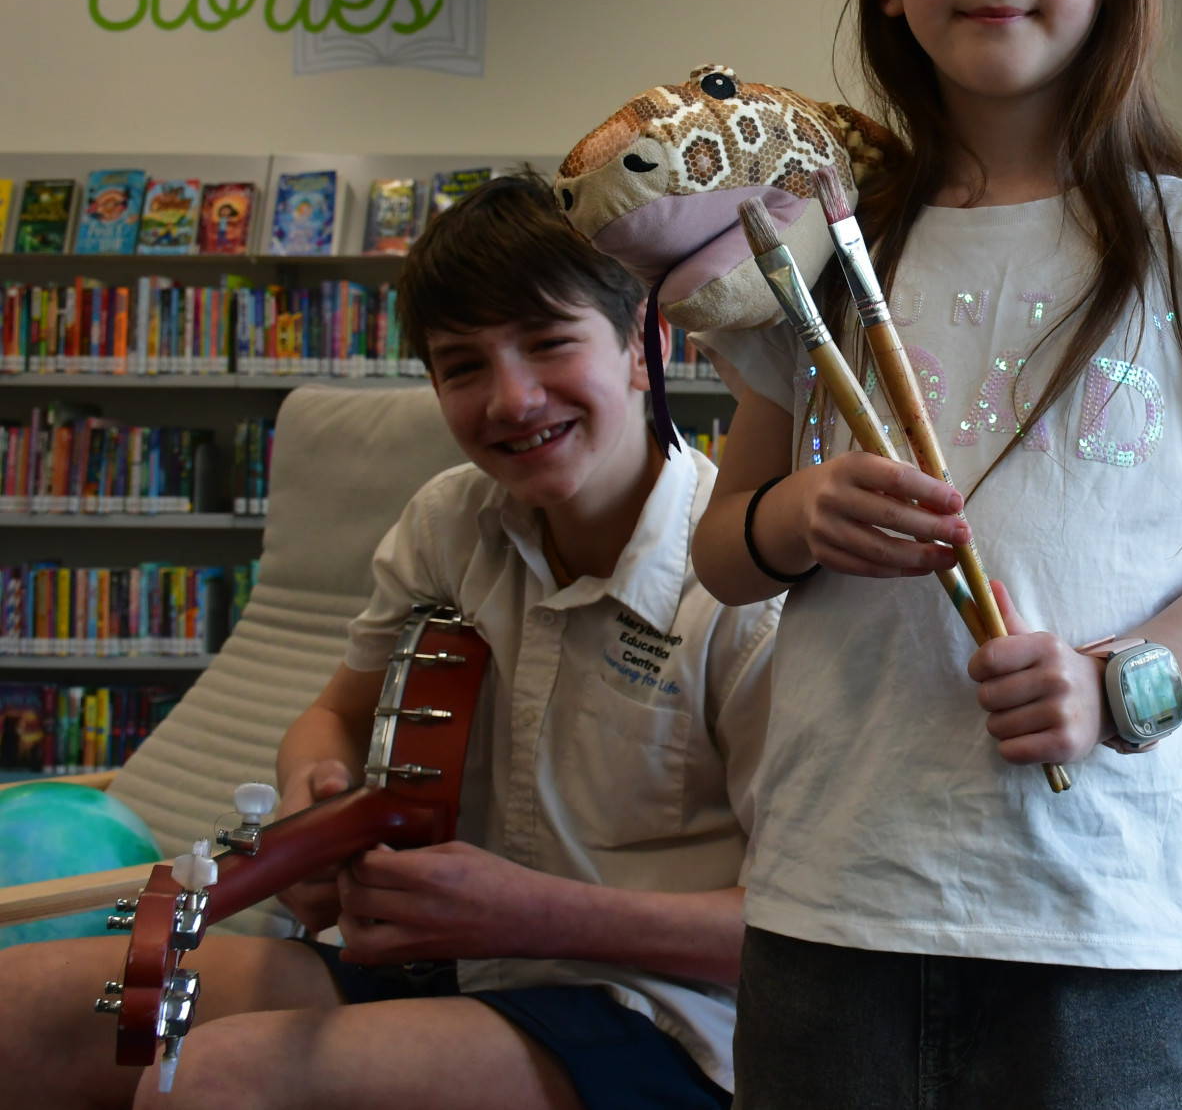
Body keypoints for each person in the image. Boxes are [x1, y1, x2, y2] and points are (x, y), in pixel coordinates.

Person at [691, 0, 1182, 1105]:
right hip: (834, 899)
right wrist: (794, 519)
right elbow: (721, 551)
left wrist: (1119, 683)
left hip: (1107, 913)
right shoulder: (817, 247)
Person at [0, 175, 777, 1110]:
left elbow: (815, 932)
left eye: (548, 343)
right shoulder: (449, 522)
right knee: (24, 1009)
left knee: (214, 1080)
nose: (513, 399)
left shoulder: (750, 581)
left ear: (645, 346)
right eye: (462, 366)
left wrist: (532, 913)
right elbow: (332, 715)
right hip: (443, 963)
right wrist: (310, 802)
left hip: (659, 1017)